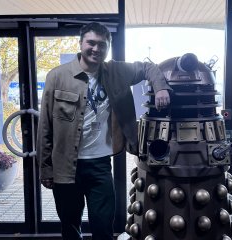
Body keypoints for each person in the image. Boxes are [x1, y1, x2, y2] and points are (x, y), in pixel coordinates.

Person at [36, 22, 171, 240]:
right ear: (80, 44)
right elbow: (45, 127)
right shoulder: (57, 77)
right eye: (91, 43)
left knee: (103, 227)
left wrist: (161, 87)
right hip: (65, 167)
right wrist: (45, 169)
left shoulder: (116, 71)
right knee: (70, 227)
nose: (96, 49)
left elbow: (148, 68)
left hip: (99, 166)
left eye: (102, 45)